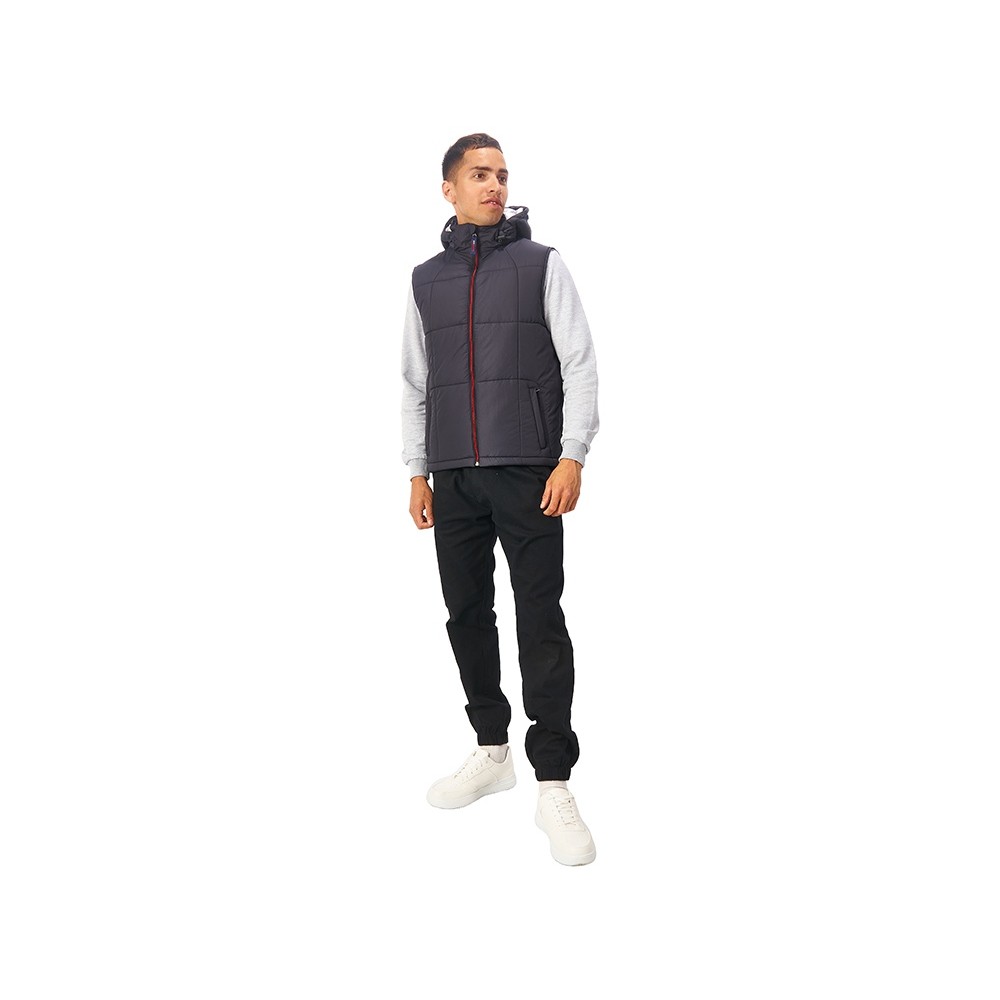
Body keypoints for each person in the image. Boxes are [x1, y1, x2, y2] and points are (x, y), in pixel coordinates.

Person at [400, 133, 599, 866]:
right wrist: (418, 471)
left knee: (540, 618)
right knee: (466, 614)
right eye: (479, 175)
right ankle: (492, 750)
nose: (494, 186)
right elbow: (415, 379)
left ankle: (553, 779)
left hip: (529, 470)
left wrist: (571, 455)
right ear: (448, 189)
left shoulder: (541, 264)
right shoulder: (425, 280)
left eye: (502, 175)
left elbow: (580, 363)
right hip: (454, 473)